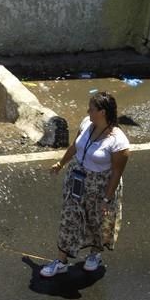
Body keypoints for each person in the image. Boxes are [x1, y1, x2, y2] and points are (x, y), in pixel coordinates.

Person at [40, 92, 130, 277]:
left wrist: (107, 198)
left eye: (91, 108)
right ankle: (61, 260)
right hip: (77, 180)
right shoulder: (86, 123)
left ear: (102, 112)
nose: (87, 110)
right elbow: (75, 146)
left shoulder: (118, 142)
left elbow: (116, 172)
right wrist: (61, 163)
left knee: (97, 222)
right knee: (69, 218)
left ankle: (95, 254)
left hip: (100, 187)